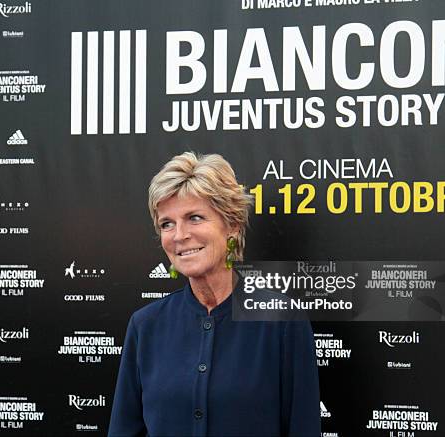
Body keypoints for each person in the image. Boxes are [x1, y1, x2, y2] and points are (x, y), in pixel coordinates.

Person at [108, 152, 320, 436]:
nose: (179, 235)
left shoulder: (282, 322)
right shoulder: (145, 326)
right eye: (166, 224)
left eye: (194, 218)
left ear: (231, 226)